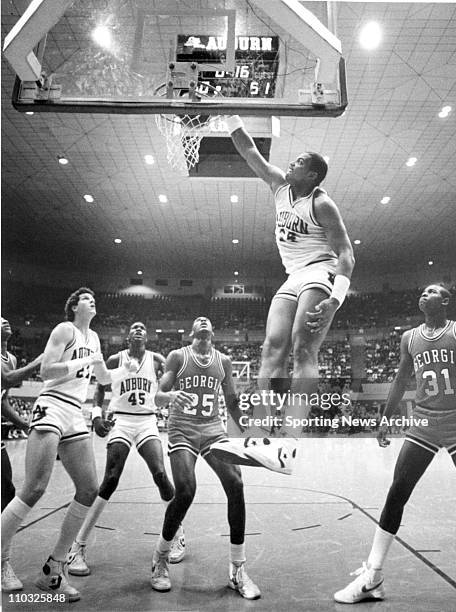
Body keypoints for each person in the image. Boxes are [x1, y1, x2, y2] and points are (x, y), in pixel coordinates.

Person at [334, 284, 456, 604]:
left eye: (432, 291)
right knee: (397, 491)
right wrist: (385, 418)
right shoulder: (409, 338)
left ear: (446, 300)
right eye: (423, 292)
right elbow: (400, 379)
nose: (425, 295)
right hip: (424, 424)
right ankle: (373, 576)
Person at [224, 115, 355, 443]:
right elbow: (250, 151)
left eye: (298, 162)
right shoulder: (279, 185)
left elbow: (346, 255)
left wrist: (335, 299)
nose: (290, 163)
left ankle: (292, 432)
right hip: (293, 276)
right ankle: (261, 428)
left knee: (303, 347)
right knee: (272, 347)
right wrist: (228, 116)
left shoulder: (322, 204)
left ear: (311, 174)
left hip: (320, 270)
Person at [1, 287, 111, 601]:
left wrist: (123, 371)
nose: (92, 300)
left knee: (89, 489)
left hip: (76, 412)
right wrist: (84, 361)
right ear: (74, 306)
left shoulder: (95, 339)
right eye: (85, 298)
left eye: (94, 298)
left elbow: (103, 379)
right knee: (34, 488)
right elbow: (47, 369)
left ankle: (54, 570)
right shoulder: (65, 330)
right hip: (52, 404)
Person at [151, 316, 260, 600]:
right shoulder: (178, 356)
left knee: (235, 483)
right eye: (197, 320)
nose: (202, 320)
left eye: (207, 320)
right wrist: (172, 394)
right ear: (192, 331)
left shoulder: (223, 360)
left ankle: (238, 569)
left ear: (213, 331)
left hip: (213, 429)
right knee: (186, 490)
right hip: (182, 429)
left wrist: (248, 429)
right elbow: (158, 397)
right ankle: (160, 559)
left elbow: (232, 400)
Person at [67, 321, 182, 576]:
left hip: (147, 421)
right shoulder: (115, 359)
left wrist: (168, 399)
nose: (139, 329)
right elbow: (99, 389)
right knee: (110, 479)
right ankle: (78, 546)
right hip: (121, 419)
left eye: (143, 327)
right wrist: (96, 415)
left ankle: (177, 533)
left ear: (147, 336)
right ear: (128, 336)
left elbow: (167, 389)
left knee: (161, 475)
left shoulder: (157, 359)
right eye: (135, 327)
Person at [1, 317, 43, 514]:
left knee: (7, 490)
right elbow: (7, 379)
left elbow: (2, 400)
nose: (4, 321)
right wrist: (36, 363)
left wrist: (24, 424)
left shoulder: (12, 359)